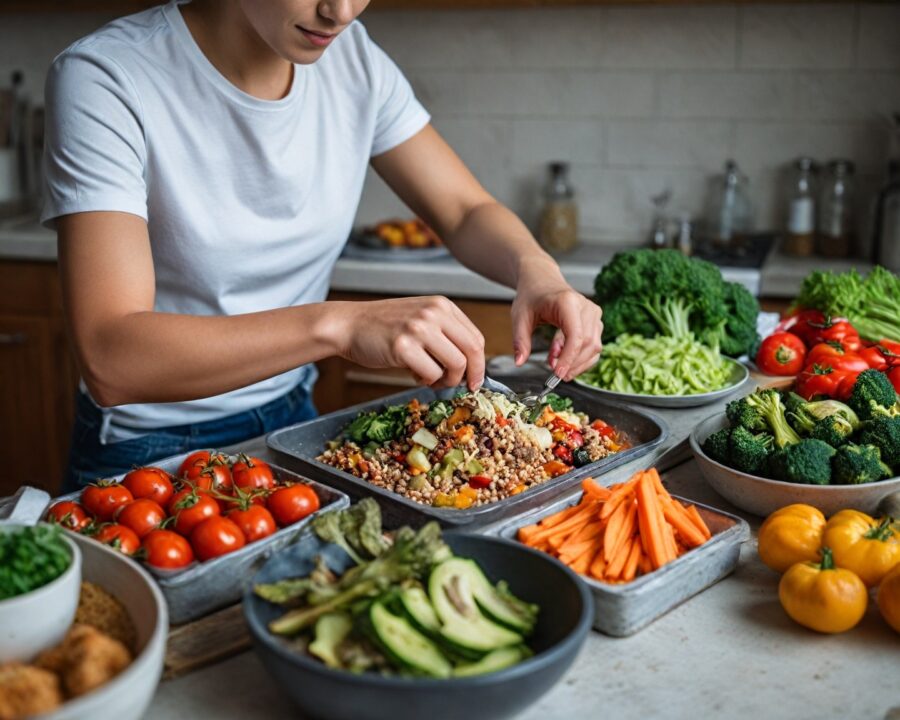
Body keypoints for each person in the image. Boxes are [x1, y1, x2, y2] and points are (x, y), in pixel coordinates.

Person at [43, 0, 603, 492]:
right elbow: (111, 356)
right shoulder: (108, 76)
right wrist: (340, 326)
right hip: (150, 449)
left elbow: (463, 211)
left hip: (294, 422)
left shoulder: (351, 58)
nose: (341, 11)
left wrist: (539, 272)